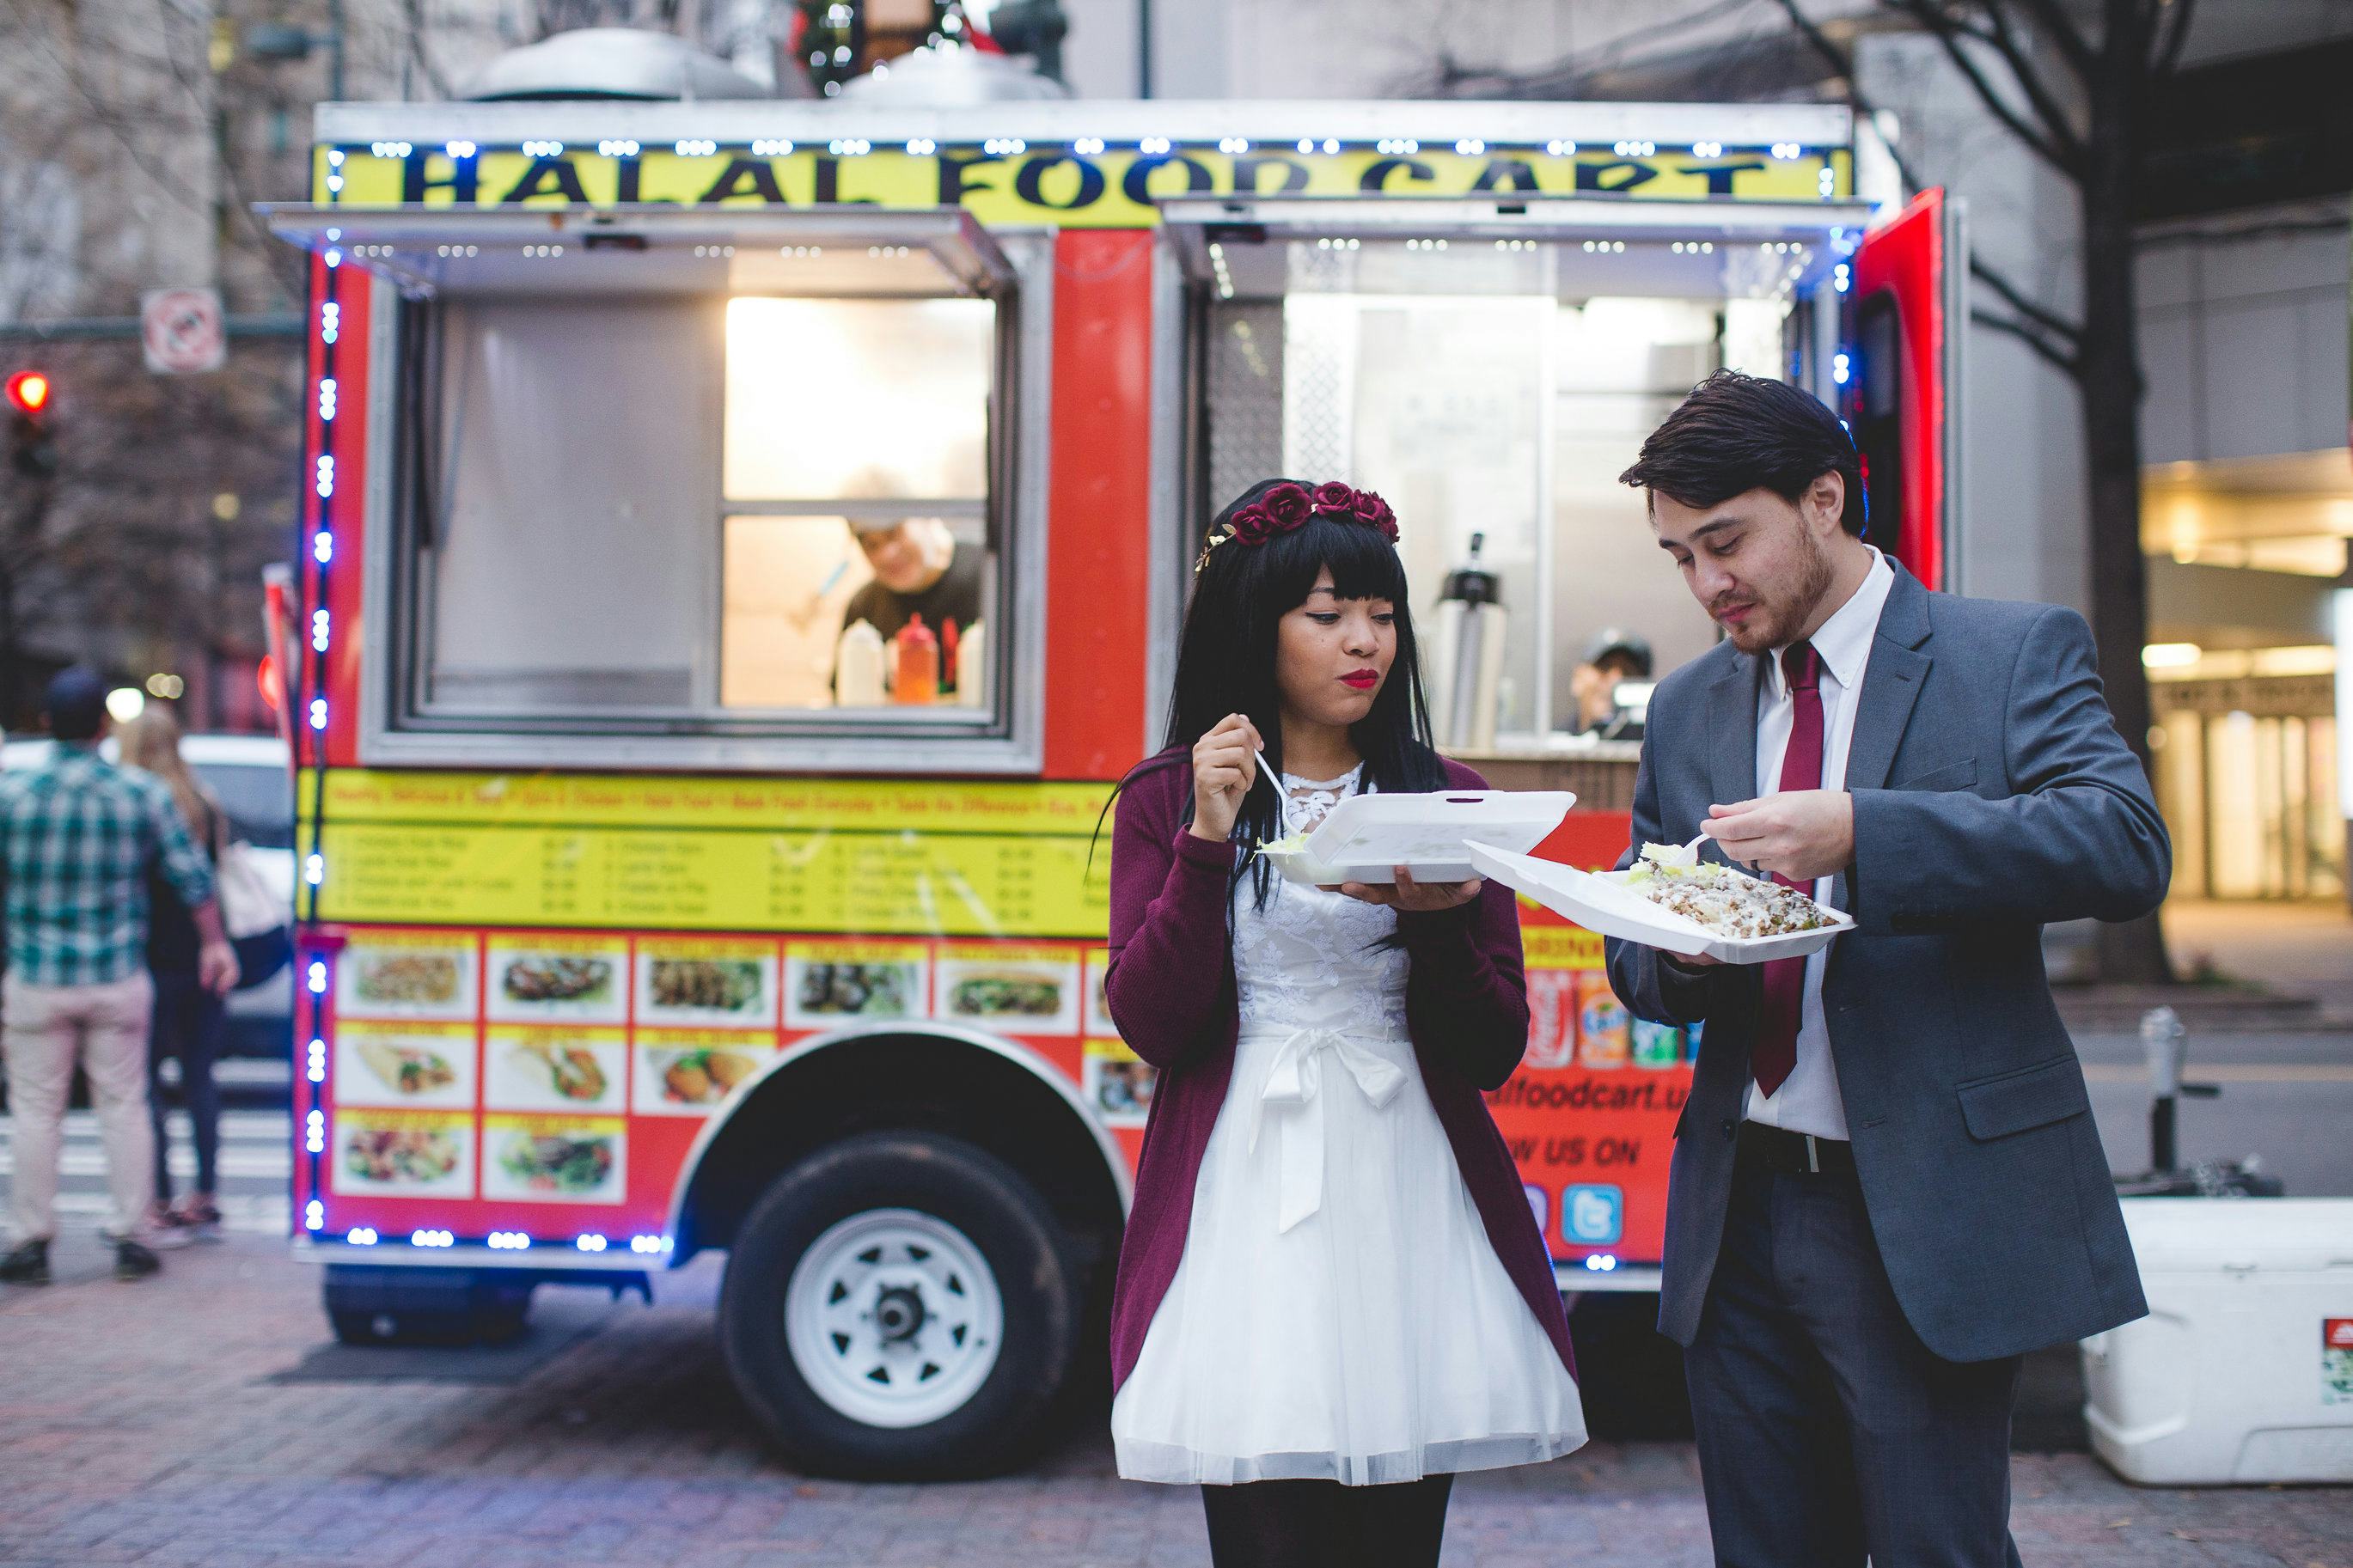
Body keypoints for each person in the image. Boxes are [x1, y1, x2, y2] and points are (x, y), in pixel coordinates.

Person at [1605, 370, 2168, 1566]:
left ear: (1823, 500)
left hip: (1917, 1206)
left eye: (1724, 542)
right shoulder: (1688, 702)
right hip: (1737, 1207)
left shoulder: (2007, 650)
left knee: (1934, 1548)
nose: (1707, 585)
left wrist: (1868, 829)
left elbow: (2122, 843)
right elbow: (1639, 967)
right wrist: (1678, 946)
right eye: (1678, 557)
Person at [1103, 479, 1586, 1567]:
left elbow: (1493, 1045)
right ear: (1252, 623)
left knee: (1397, 1540)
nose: (1363, 640)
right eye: (1326, 614)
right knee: (1266, 1538)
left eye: (1379, 612)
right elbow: (1153, 1022)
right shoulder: (1169, 794)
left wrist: (1436, 927)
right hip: (1245, 1193)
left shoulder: (1450, 796)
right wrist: (1207, 838)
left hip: (1408, 1177)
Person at [0, 670, 238, 1284]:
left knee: (35, 1109)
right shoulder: (138, 794)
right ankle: (131, 1233)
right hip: (117, 975)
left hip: (35, 974)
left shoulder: (12, 795)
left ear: (48, 724)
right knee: (123, 1103)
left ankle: (31, 1238)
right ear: (103, 726)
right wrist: (214, 942)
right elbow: (194, 878)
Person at [118, 705, 231, 1240]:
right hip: (203, 956)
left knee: (146, 1085)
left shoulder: (132, 804)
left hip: (149, 957)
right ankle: (205, 1193)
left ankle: (159, 1195)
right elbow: (212, 878)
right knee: (199, 1076)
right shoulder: (203, 803)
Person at [836, 516, 985, 696]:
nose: (886, 554)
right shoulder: (863, 607)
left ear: (925, 518)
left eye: (894, 534)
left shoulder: (989, 576)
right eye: (871, 545)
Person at [1568, 627, 1653, 737]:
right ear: (1578, 678)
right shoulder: (1551, 746)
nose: (1616, 681)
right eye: (1604, 667)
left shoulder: (1657, 751)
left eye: (1629, 672)